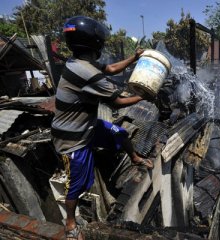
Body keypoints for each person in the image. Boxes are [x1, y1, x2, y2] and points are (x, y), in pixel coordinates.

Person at [51, 16, 153, 240]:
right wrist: (143, 95)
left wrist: (134, 58)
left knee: (120, 133)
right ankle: (70, 223)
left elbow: (112, 68)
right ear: (94, 43)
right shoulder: (86, 73)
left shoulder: (79, 63)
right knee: (77, 185)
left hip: (85, 126)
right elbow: (117, 102)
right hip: (72, 138)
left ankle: (134, 157)